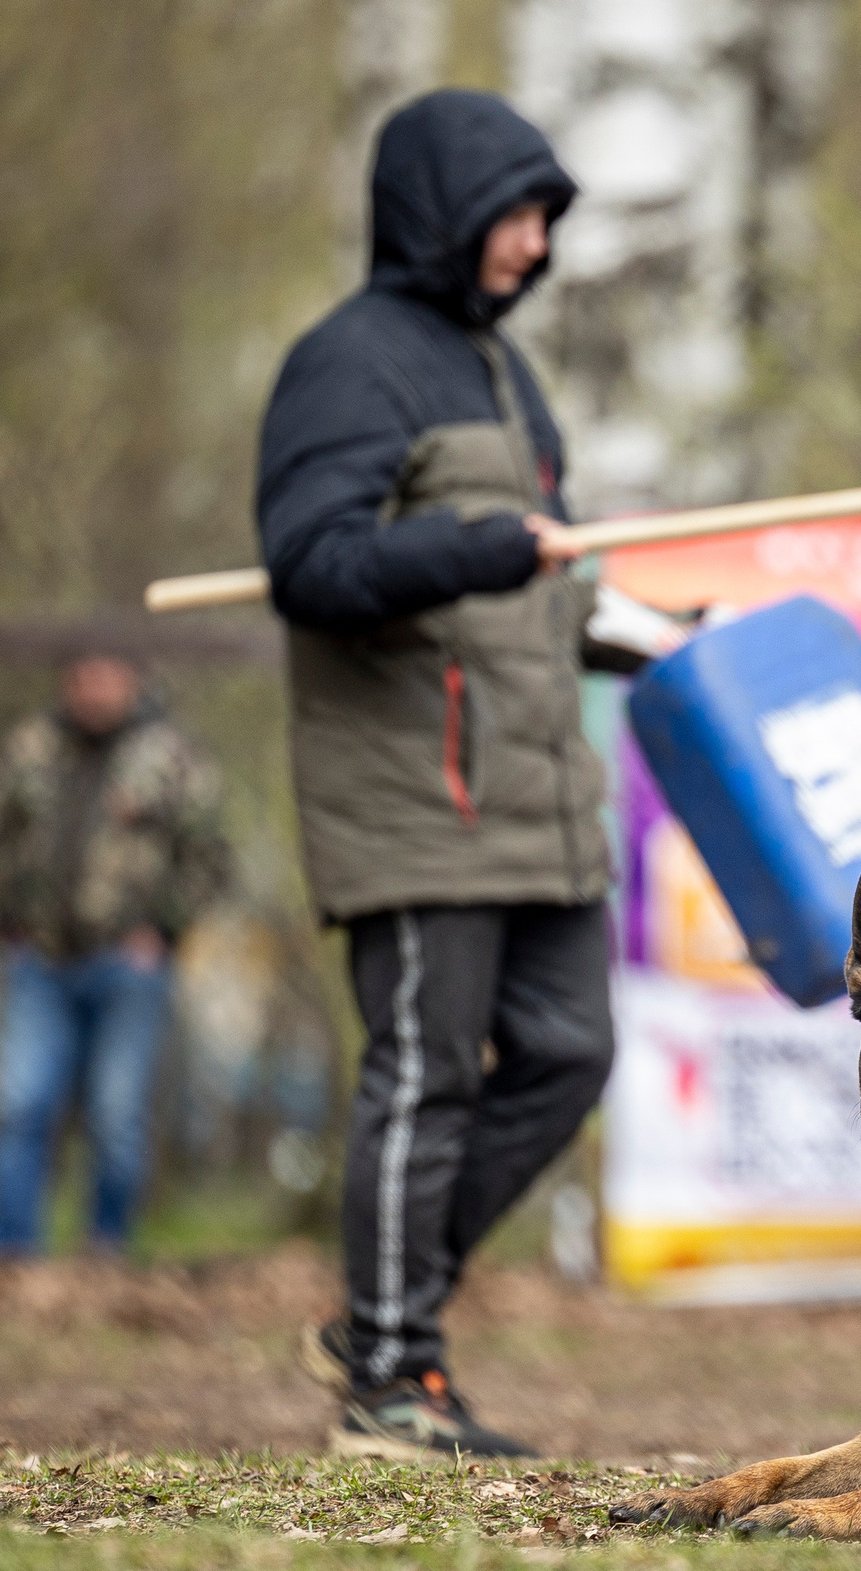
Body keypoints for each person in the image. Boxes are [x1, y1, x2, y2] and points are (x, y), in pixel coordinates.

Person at [257, 89, 640, 1461]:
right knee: (422, 1073)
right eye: (514, 214)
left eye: (544, 218)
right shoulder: (347, 365)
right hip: (418, 796)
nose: (533, 243)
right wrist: (477, 546)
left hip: (537, 800)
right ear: (440, 212)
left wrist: (647, 635)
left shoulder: (503, 372)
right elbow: (314, 565)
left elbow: (542, 574)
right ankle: (393, 1374)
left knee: (568, 1050)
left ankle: (380, 1310)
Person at [0, 651, 230, 1256]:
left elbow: (211, 857)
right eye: (83, 677)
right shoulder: (30, 749)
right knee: (20, 1103)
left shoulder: (170, 758)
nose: (95, 691)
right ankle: (9, 1249)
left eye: (109, 677)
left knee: (117, 1116)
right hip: (40, 960)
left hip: (128, 964)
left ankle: (105, 1250)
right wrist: (9, 920)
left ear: (134, 681)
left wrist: (163, 930)